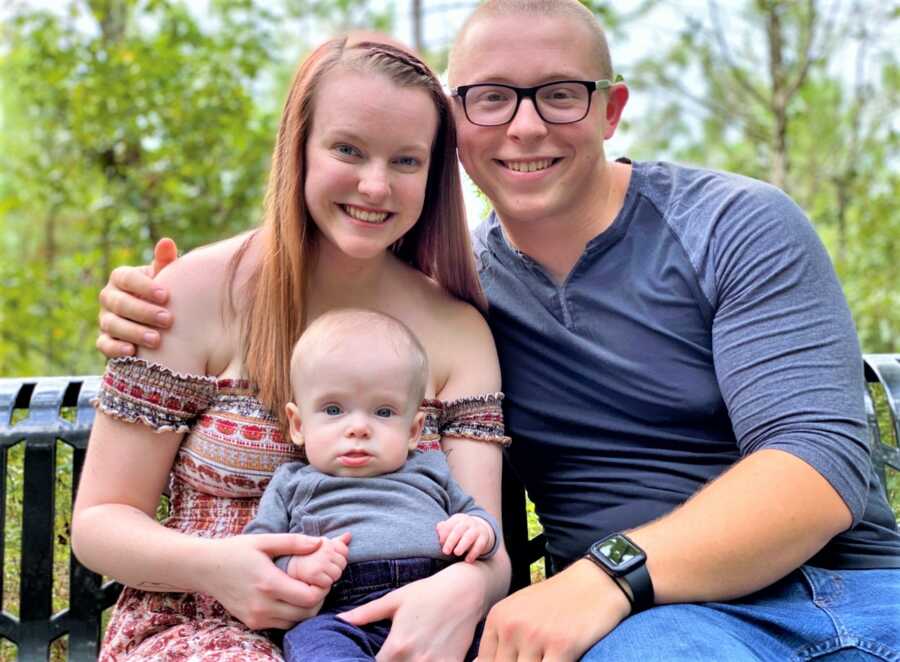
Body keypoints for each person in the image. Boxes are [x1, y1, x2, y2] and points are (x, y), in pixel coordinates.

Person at [95, 1, 900, 660]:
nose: (523, 127)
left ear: (611, 108)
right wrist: (150, 299)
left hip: (835, 586)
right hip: (662, 629)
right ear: (459, 121)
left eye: (559, 93)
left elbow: (816, 465)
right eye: (492, 97)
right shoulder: (466, 292)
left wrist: (600, 579)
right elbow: (315, 258)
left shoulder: (734, 225)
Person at [73, 37, 513, 661]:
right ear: (299, 147)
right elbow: (100, 522)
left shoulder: (455, 330)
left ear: (433, 174)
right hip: (206, 622)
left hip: (396, 622)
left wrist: (463, 588)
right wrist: (213, 567)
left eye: (407, 161)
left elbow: (485, 542)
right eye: (347, 149)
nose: (375, 185)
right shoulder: (192, 294)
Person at [244, 308, 502, 660]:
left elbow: (482, 520)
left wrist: (477, 531)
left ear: (413, 431)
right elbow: (257, 554)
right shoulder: (292, 483)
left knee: (498, 644)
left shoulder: (430, 471)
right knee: (319, 649)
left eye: (383, 412)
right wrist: (294, 568)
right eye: (334, 410)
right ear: (298, 424)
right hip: (338, 614)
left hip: (436, 601)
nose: (358, 428)